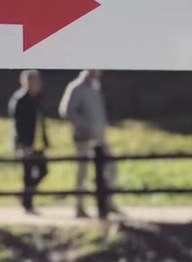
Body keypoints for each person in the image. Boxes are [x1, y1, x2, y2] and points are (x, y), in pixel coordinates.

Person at [60, 69, 115, 217]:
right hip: (83, 137)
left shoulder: (95, 87)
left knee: (111, 167)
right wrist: (86, 126)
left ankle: (108, 202)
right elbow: (67, 111)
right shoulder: (77, 87)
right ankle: (80, 207)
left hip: (99, 137)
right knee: (83, 172)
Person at [8, 70, 48, 214]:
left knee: (43, 171)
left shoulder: (38, 99)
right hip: (26, 143)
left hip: (38, 142)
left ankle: (24, 195)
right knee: (28, 174)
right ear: (27, 82)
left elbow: (40, 122)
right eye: (36, 81)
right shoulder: (20, 100)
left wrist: (45, 141)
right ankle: (28, 204)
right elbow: (17, 125)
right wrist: (22, 145)